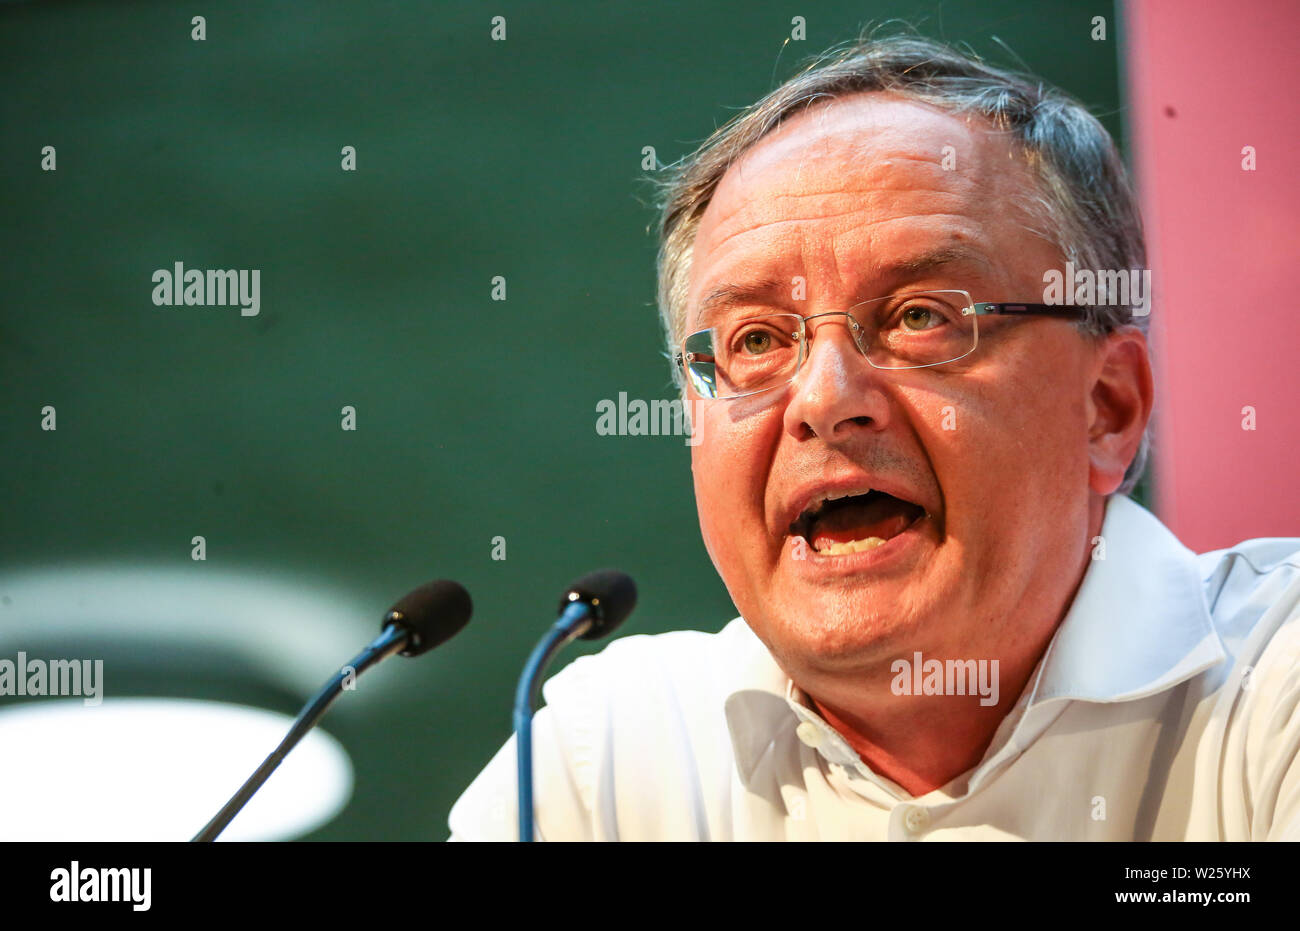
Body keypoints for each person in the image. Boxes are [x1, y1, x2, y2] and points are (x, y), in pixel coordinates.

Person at [448, 33, 1300, 840]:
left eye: (920, 317)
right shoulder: (603, 764)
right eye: (755, 340)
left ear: (1107, 407)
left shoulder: (1275, 684)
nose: (823, 399)